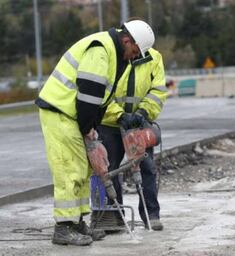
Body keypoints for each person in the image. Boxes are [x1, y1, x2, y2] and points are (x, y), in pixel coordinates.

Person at [35, 19, 155, 246]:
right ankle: (63, 228)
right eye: (135, 51)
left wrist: (91, 131)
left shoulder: (113, 53)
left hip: (72, 114)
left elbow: (100, 100)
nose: (134, 56)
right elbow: (89, 96)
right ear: (127, 40)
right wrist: (89, 131)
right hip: (60, 111)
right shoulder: (101, 50)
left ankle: (77, 222)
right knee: (69, 168)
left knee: (82, 168)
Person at [92, 20, 167, 231]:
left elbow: (158, 91)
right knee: (108, 168)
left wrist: (143, 112)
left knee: (146, 167)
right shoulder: (109, 55)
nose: (135, 55)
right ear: (128, 42)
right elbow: (101, 93)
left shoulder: (154, 58)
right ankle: (113, 218)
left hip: (139, 123)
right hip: (109, 122)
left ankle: (151, 214)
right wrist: (119, 115)